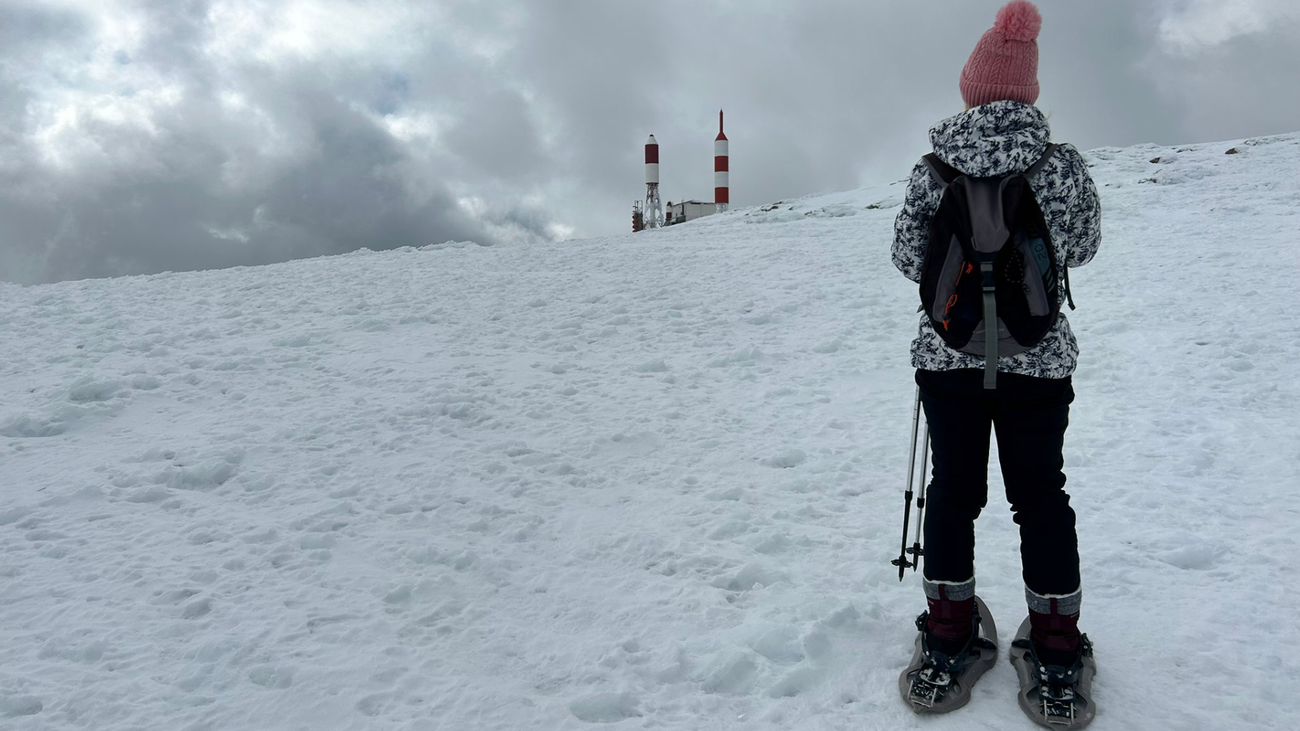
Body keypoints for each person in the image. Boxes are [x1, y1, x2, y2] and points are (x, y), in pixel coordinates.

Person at [891, 0, 1102, 718]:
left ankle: (949, 637)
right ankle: (1055, 647)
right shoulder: (1060, 165)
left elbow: (905, 258)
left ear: (971, 88)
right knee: (1041, 497)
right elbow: (1080, 247)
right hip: (1038, 365)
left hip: (946, 362)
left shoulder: (932, 167)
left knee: (952, 491)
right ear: (1029, 92)